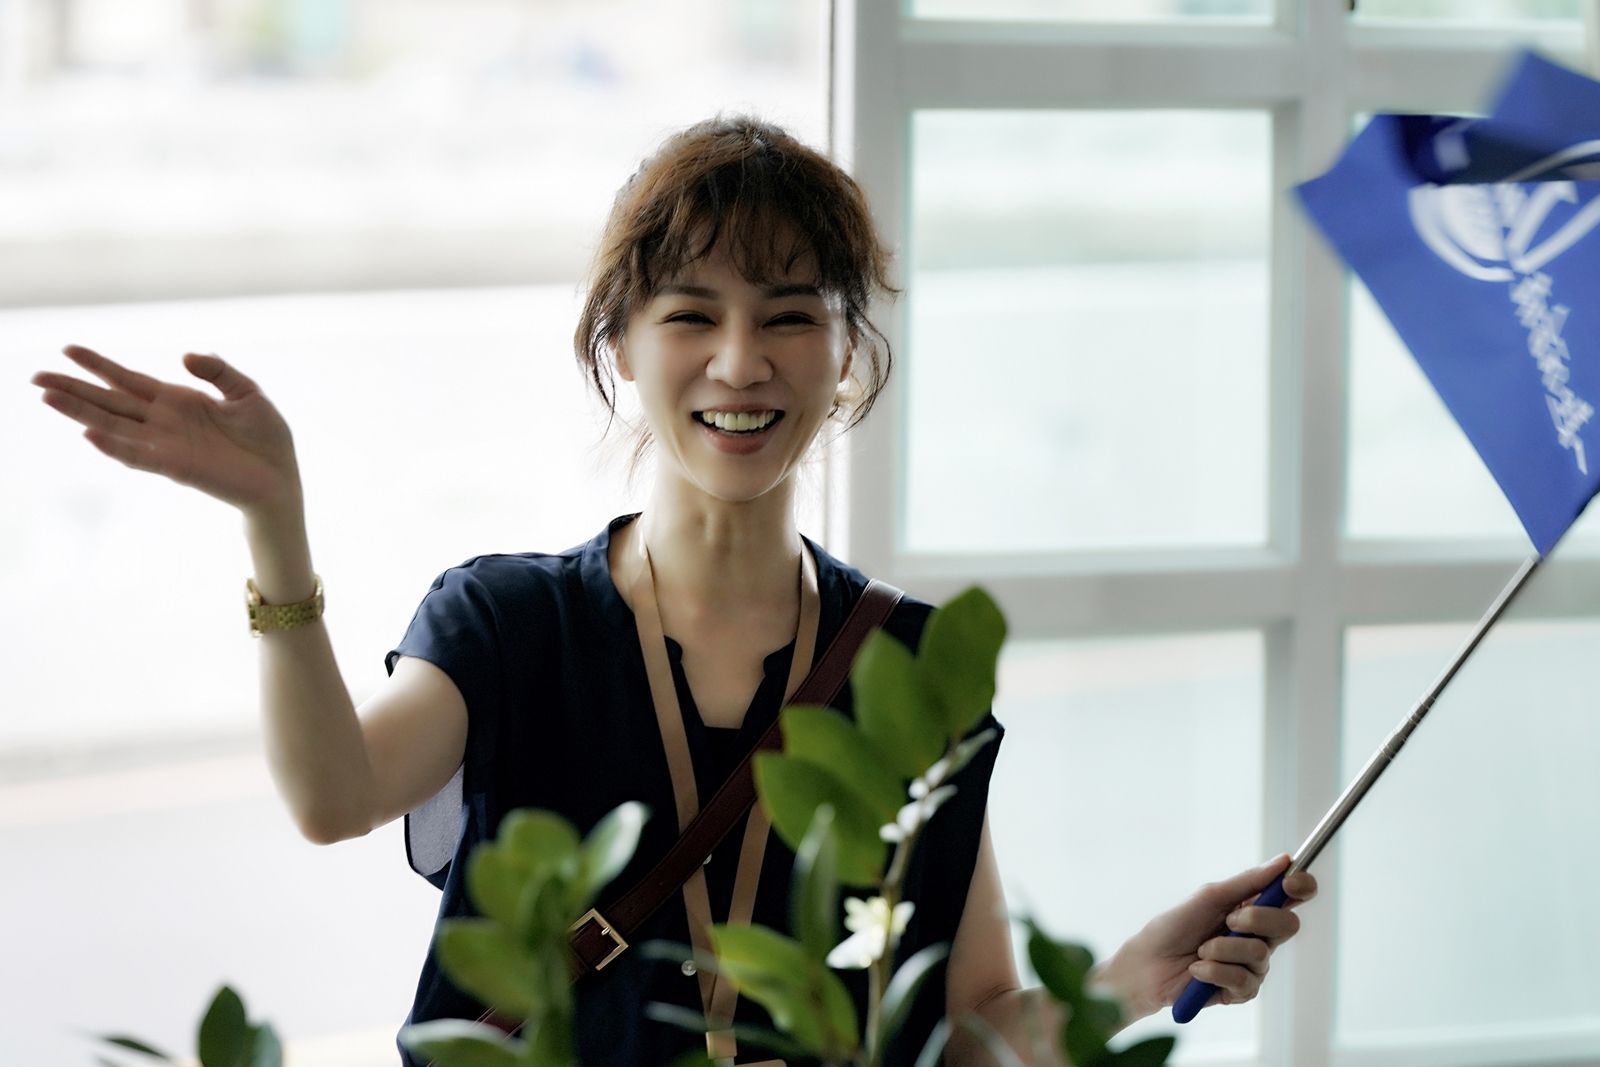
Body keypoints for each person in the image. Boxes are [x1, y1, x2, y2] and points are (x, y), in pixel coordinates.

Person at [32, 115, 1315, 1066]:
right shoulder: (510, 622)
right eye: (692, 313)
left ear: (847, 352)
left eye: (792, 315)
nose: (741, 362)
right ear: (621, 344)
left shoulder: (909, 665)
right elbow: (332, 796)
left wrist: (1136, 973)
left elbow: (966, 1030)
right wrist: (275, 521)